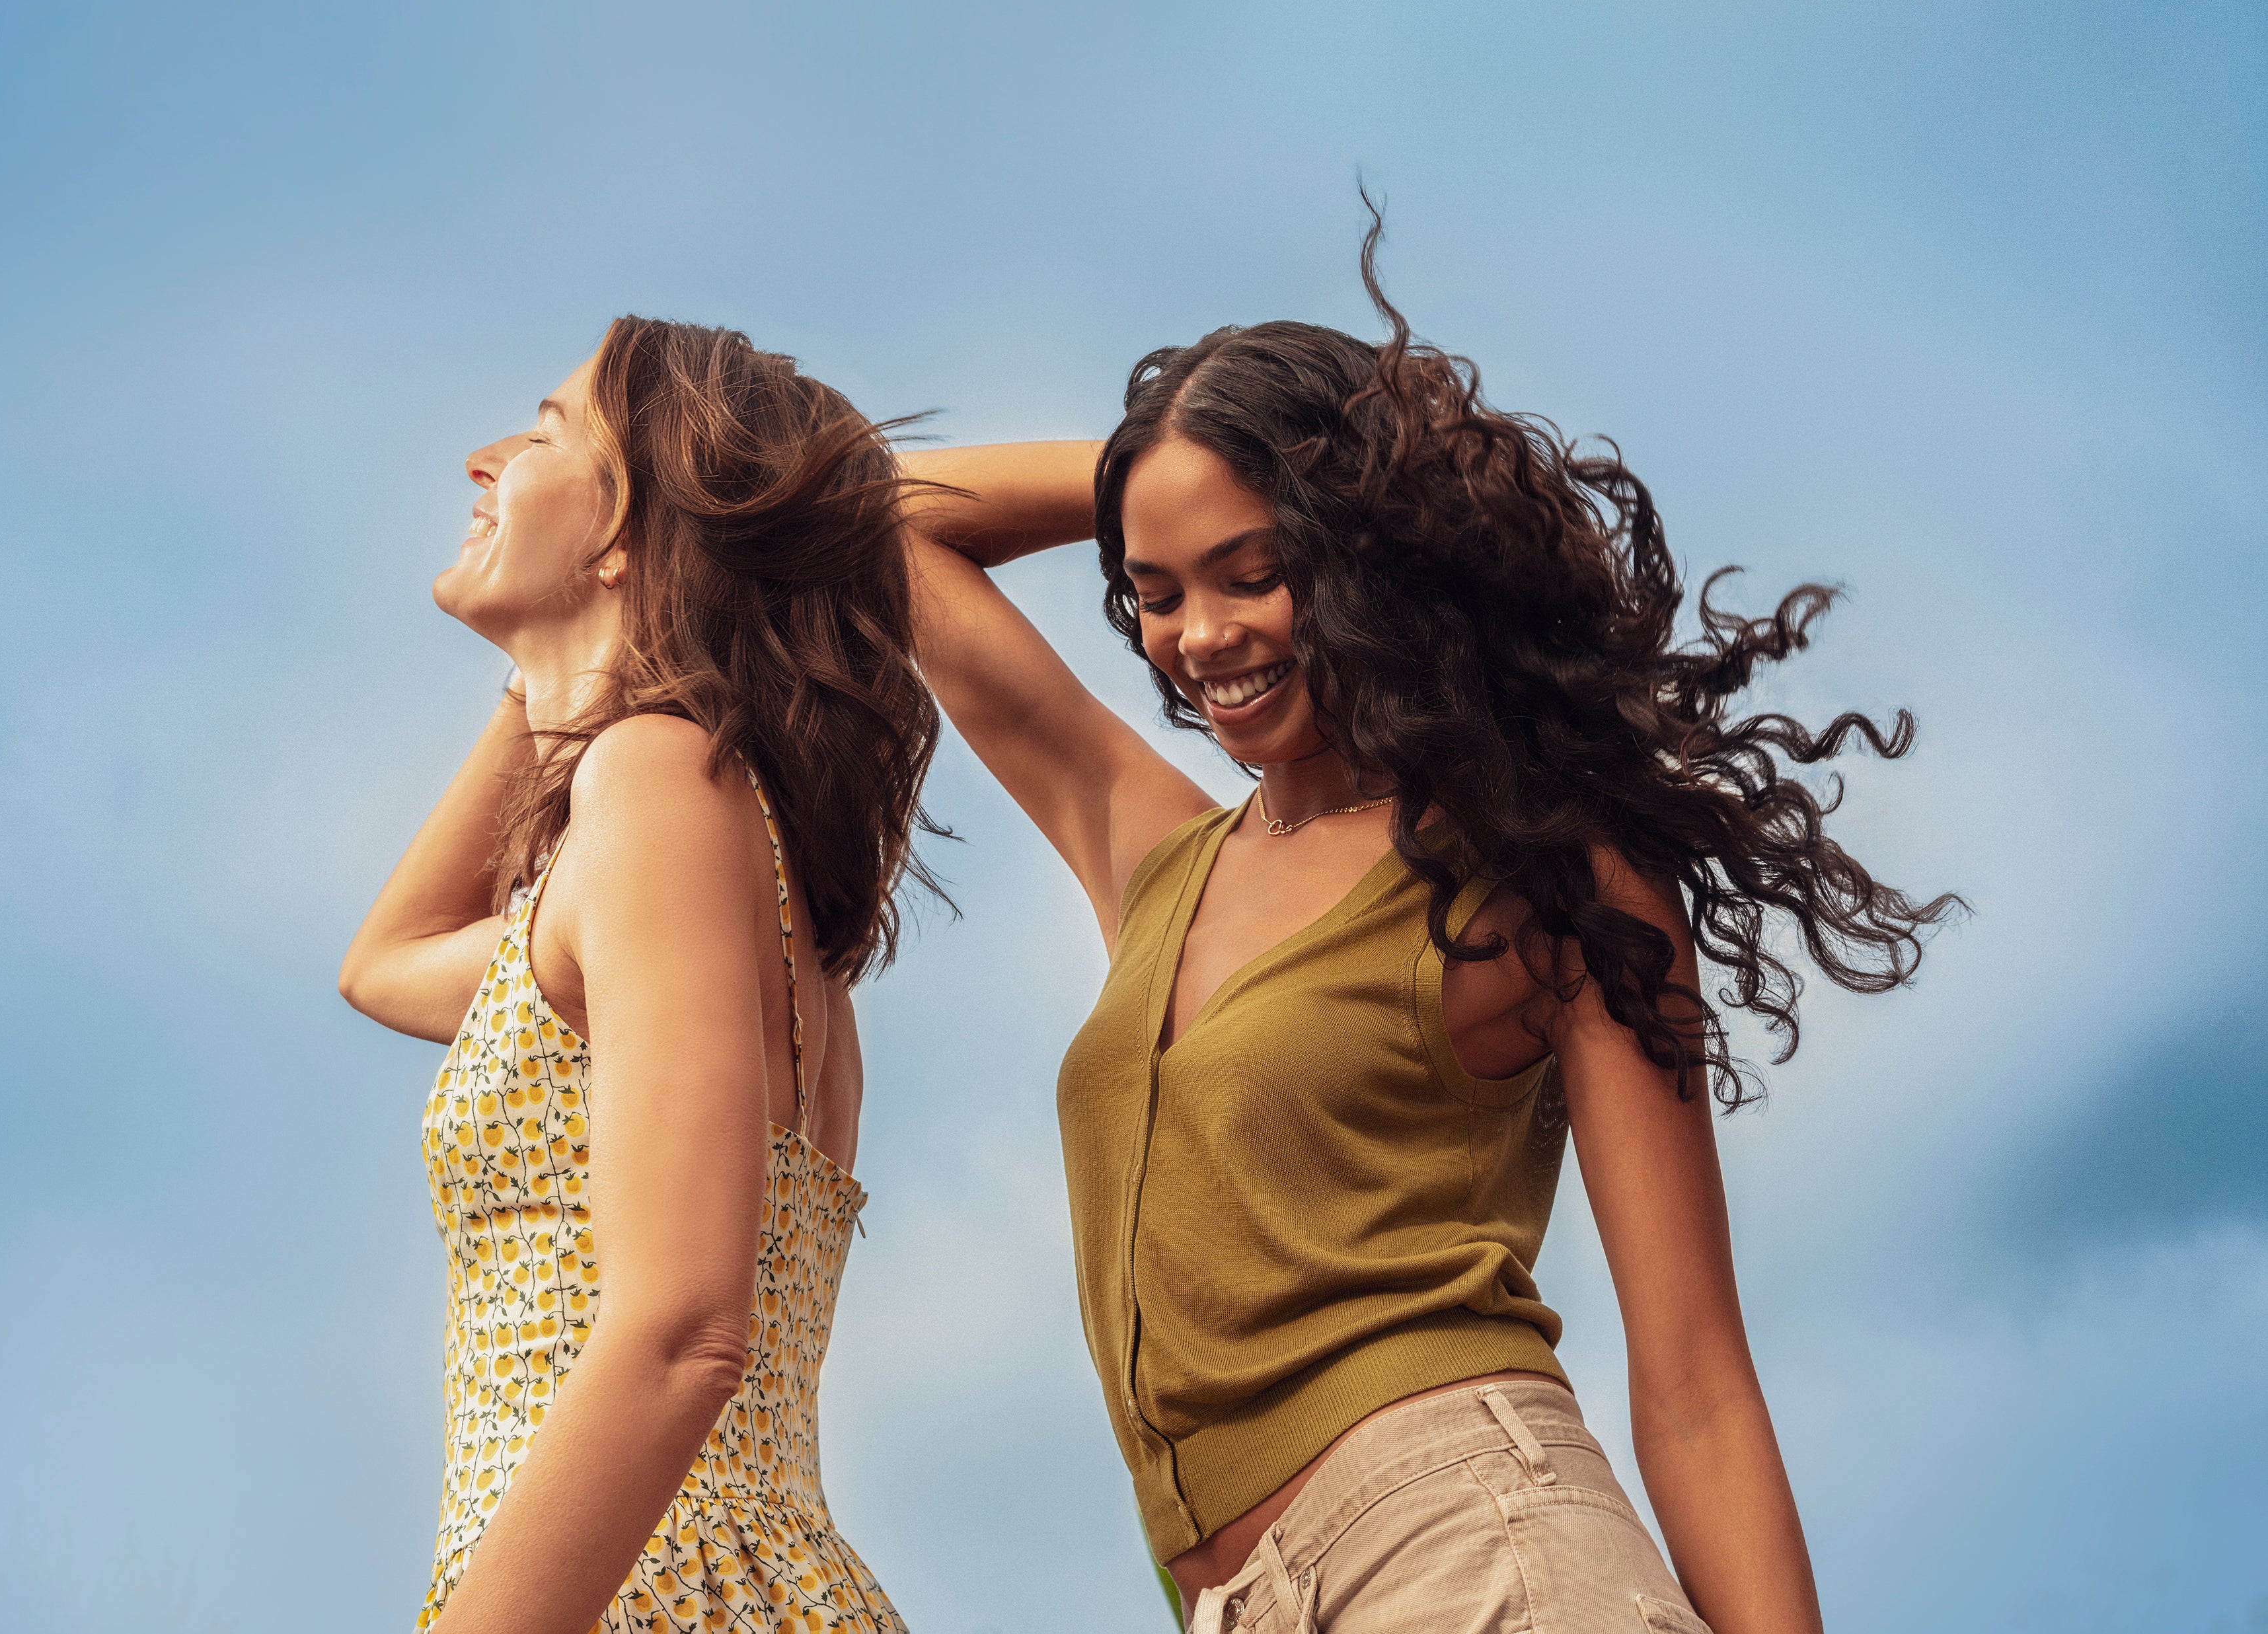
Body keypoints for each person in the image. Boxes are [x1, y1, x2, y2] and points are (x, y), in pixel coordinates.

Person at [902, 224, 1953, 1633]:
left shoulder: (1533, 872)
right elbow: (875, 520)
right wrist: (1156, 460)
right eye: (1152, 592)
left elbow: (1696, 1378)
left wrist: (1329, 470)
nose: (1197, 634)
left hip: (1477, 1553)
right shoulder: (1157, 853)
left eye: (1250, 569)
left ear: (1363, 553)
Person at [341, 316, 938, 1634]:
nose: (484, 455)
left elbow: (681, 1331)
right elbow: (385, 963)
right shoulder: (671, 842)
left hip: (646, 1586)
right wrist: (559, 669)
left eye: (545, 431)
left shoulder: (663, 783)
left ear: (630, 534)